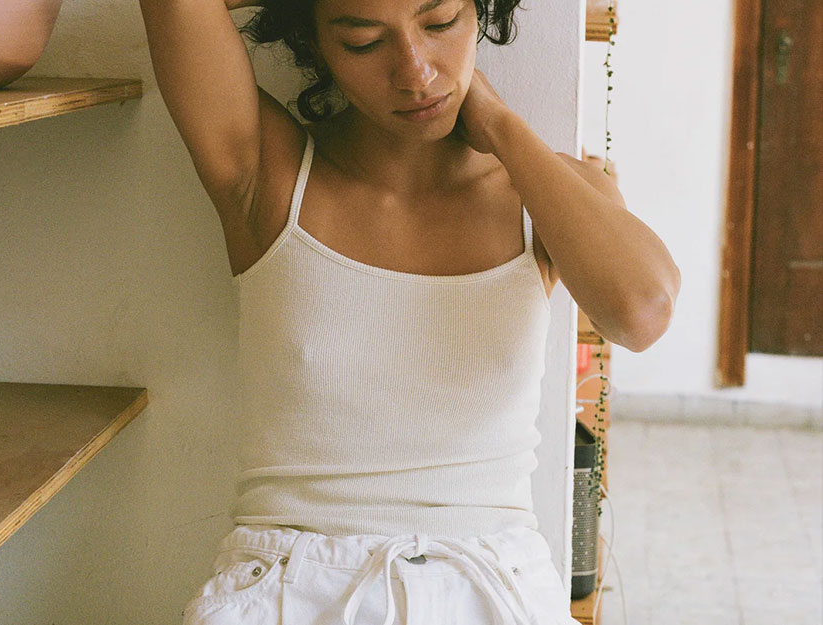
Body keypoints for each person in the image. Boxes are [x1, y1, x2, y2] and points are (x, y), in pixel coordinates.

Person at [138, 0, 681, 623]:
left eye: (441, 22)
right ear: (315, 42)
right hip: (288, 587)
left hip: (492, 584)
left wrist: (500, 124)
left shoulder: (550, 193)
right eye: (364, 41)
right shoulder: (268, 172)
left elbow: (643, 313)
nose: (416, 72)